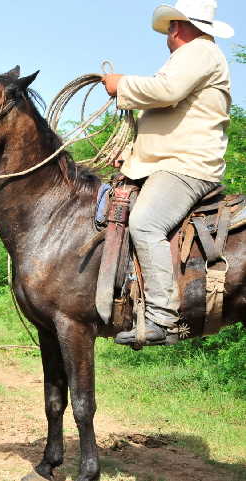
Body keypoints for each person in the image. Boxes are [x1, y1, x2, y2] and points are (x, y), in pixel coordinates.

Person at [101, 0, 233, 345]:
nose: (169, 33)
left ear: (178, 26)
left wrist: (121, 84)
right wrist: (131, 155)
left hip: (187, 167)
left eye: (172, 27)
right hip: (171, 163)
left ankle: (162, 319)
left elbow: (165, 92)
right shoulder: (192, 57)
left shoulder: (200, 52)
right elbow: (171, 119)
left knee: (146, 223)